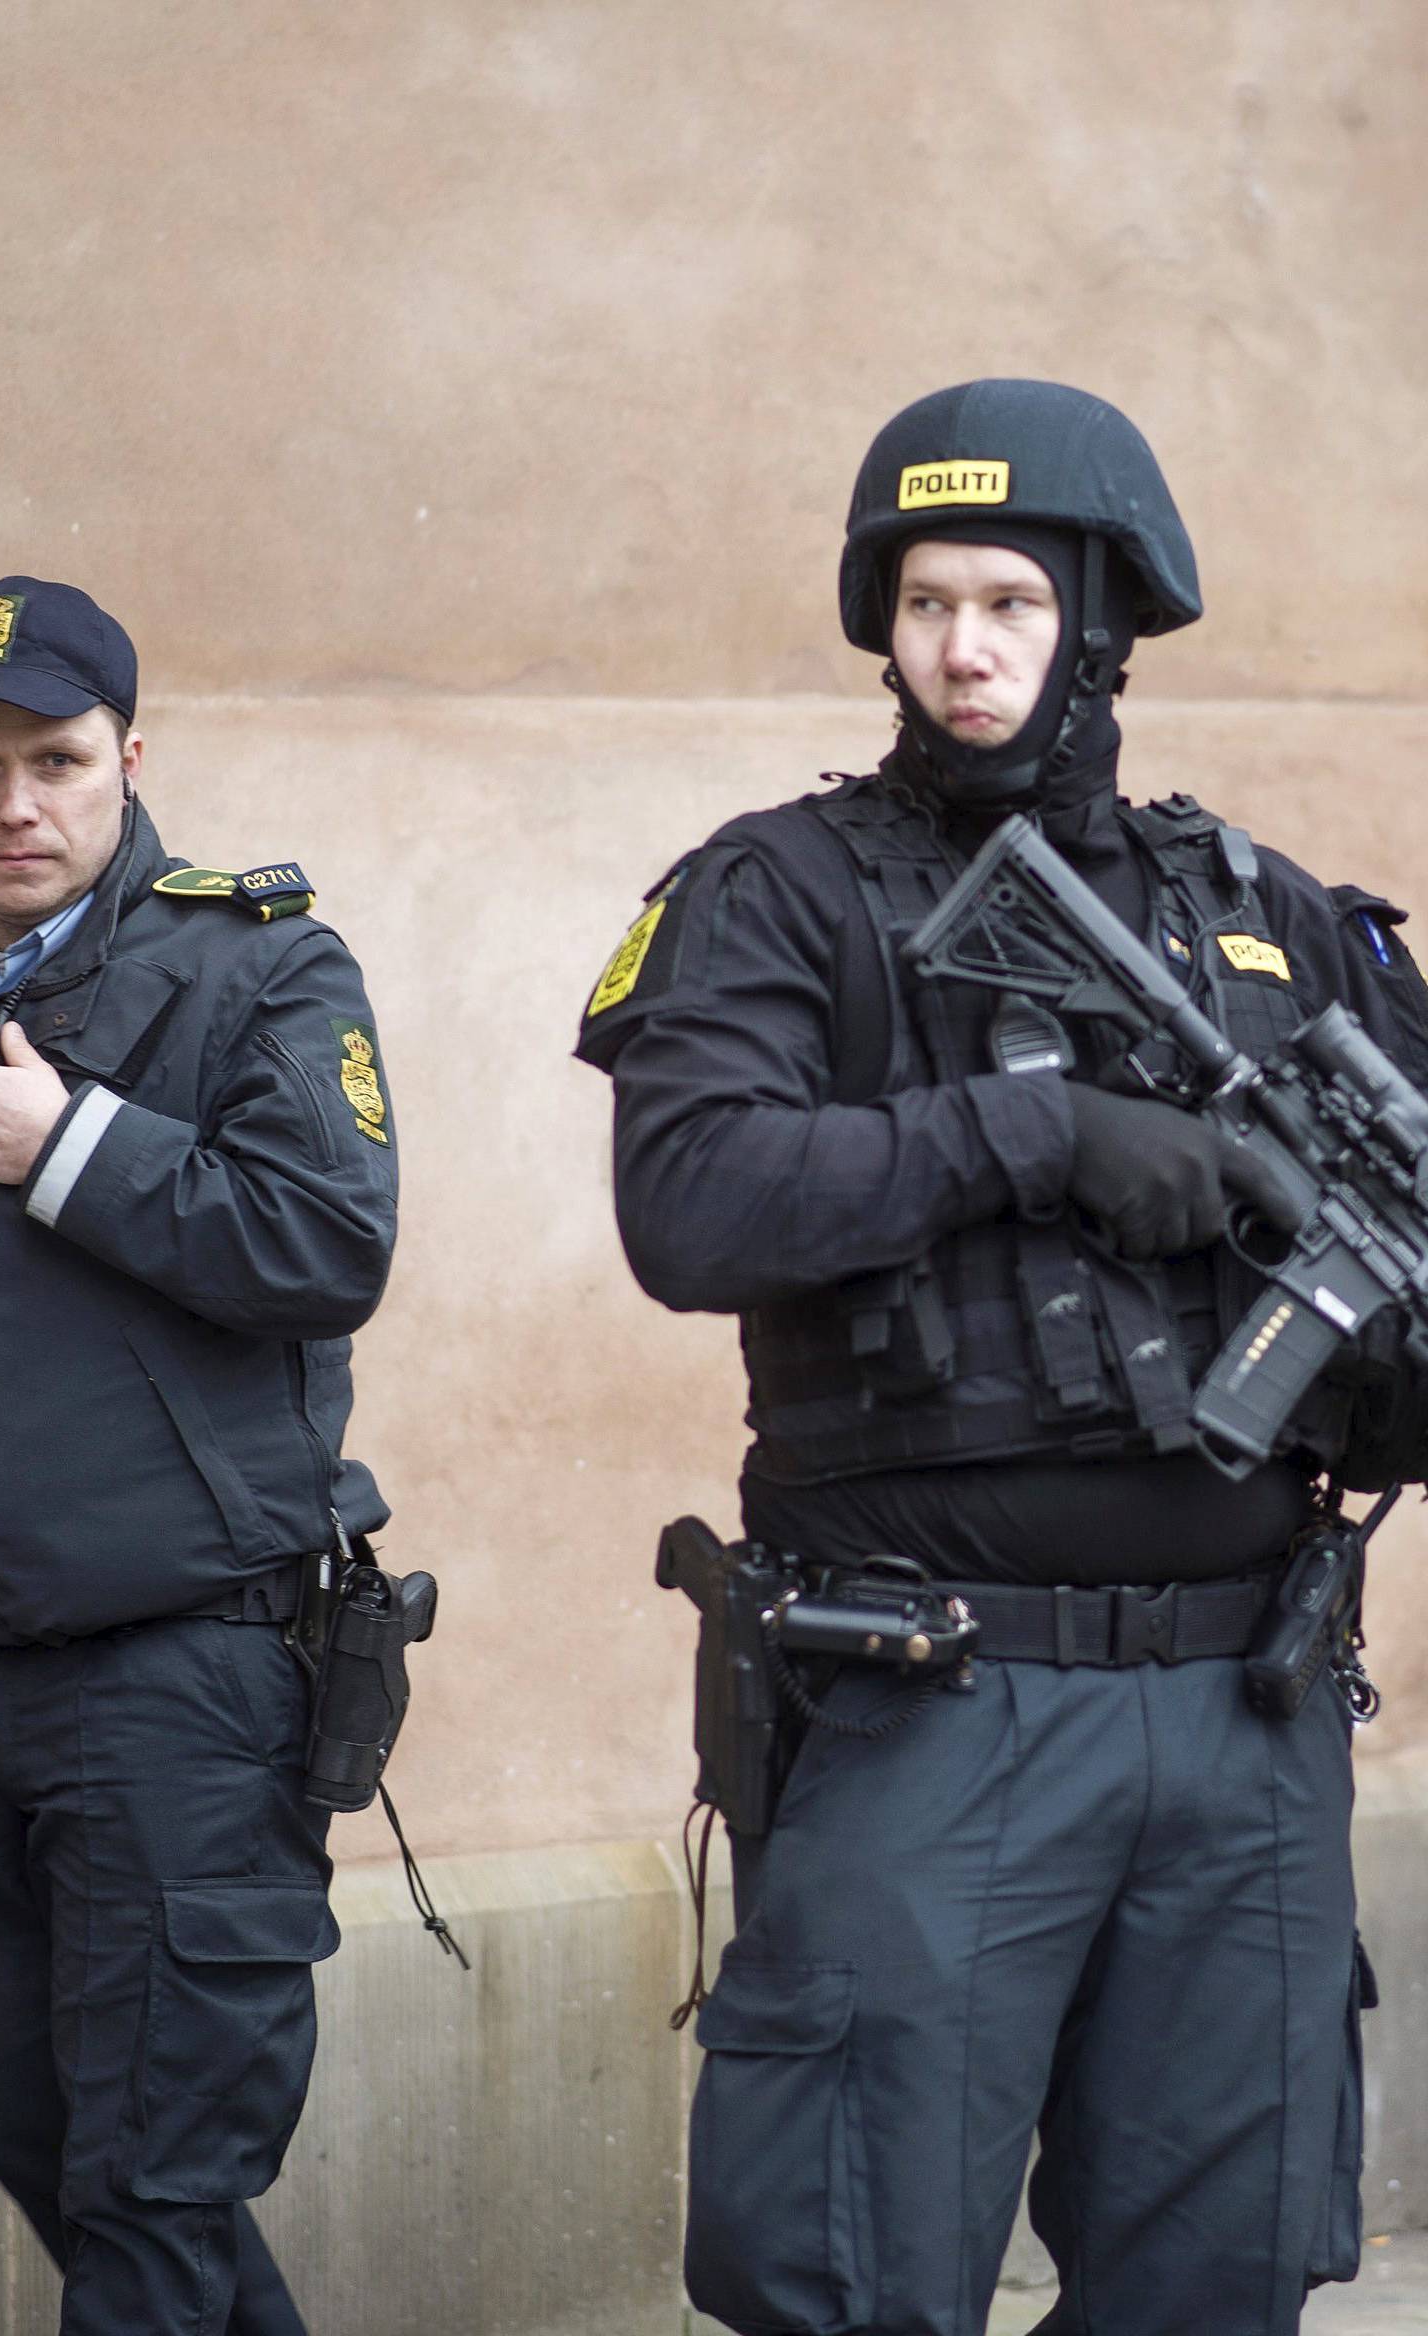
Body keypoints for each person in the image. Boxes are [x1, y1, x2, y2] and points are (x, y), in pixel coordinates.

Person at [576, 382, 1428, 2336]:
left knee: (1210, 2286)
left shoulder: (1269, 918)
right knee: (859, 2277)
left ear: (1101, 624)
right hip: (936, 1701)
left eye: (1012, 604)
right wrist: (1034, 1137)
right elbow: (690, 1201)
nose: (964, 648)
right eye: (930, 600)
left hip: (1245, 1710)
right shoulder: (778, 894)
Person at [0, 576, 398, 2335]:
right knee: (37, 2134)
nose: (14, 805)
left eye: (56, 759)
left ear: (131, 757)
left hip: (174, 1683)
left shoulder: (258, 964)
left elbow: (327, 1243)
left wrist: (69, 1144)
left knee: (154, 2186)